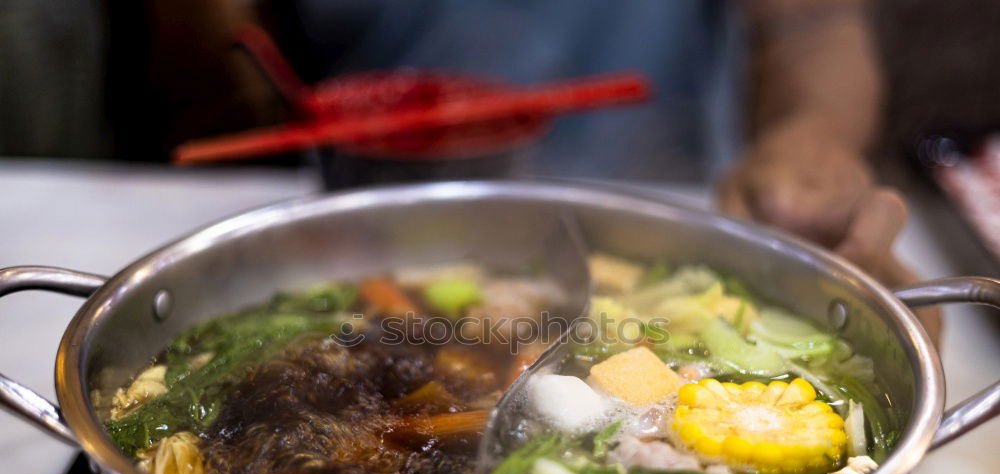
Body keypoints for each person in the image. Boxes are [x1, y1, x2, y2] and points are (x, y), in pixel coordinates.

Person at [0, 0, 938, 335]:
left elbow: (813, 20)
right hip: (358, 219)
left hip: (651, 212)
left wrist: (813, 140)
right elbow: (207, 50)